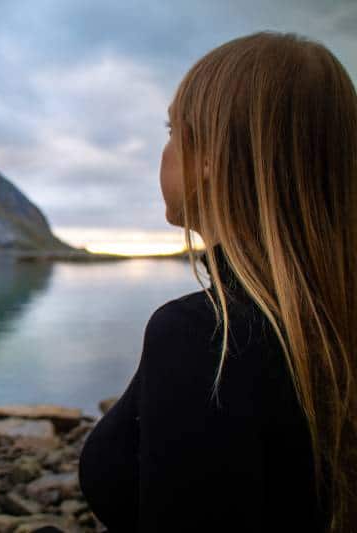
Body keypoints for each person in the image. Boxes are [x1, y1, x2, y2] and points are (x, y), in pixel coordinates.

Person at [78, 31, 357, 533]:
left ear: (210, 156)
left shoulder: (206, 337)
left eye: (172, 129)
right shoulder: (336, 319)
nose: (162, 152)